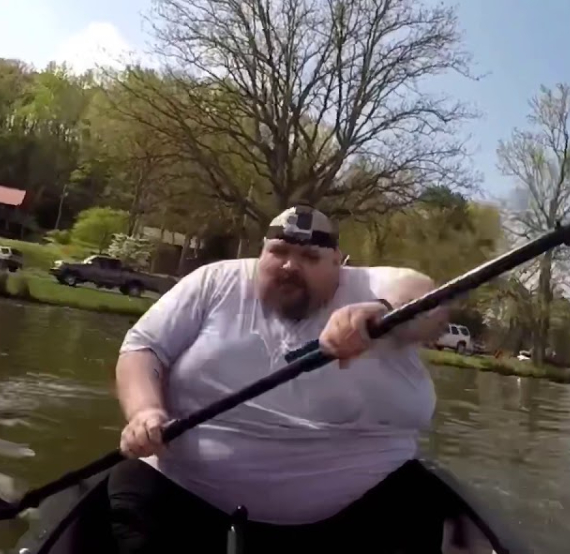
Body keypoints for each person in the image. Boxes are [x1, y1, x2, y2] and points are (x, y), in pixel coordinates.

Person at [107, 205, 452, 553]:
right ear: (262, 252)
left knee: (417, 501)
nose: (290, 265)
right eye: (279, 251)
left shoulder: (371, 286)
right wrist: (145, 412)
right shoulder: (213, 281)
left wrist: (381, 313)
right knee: (131, 484)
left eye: (309, 257)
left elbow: (429, 301)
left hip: (356, 512)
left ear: (337, 262)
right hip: (187, 494)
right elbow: (143, 349)